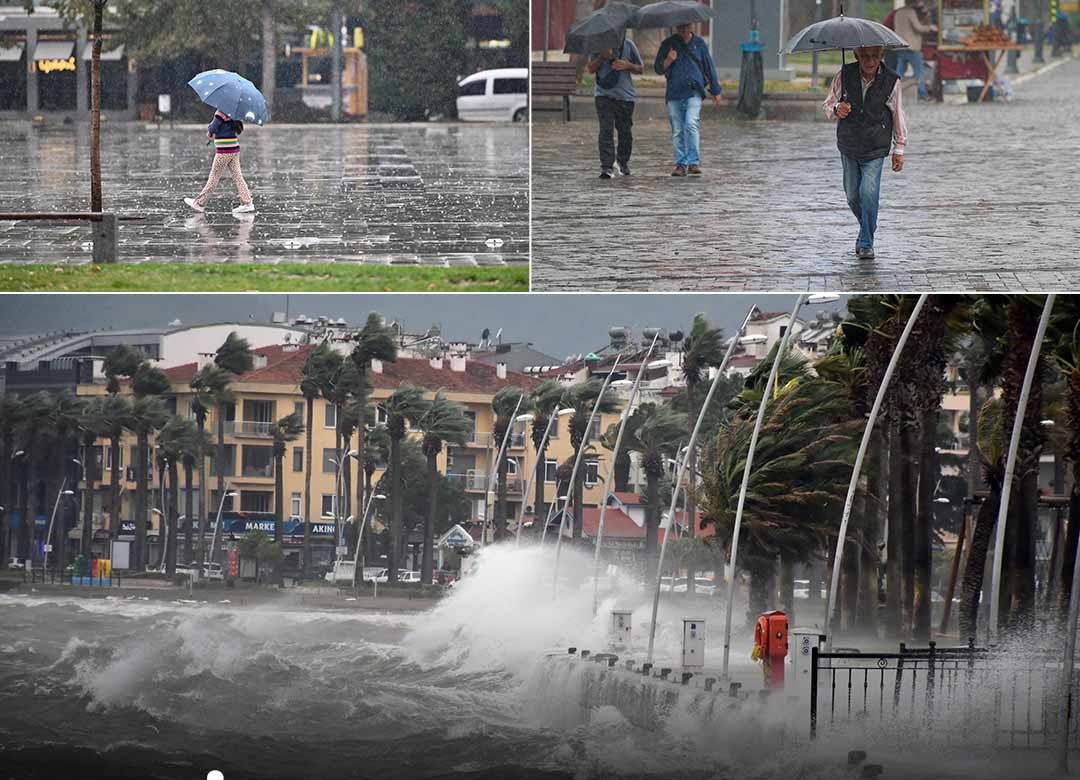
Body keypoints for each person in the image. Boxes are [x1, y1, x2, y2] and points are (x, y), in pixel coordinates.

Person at [823, 45, 908, 260]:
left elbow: (898, 114)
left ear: (881, 57)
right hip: (849, 143)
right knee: (852, 195)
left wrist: (899, 148)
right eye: (864, 56)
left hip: (875, 146)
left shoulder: (892, 81)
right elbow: (828, 104)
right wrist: (837, 109)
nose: (869, 61)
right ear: (857, 56)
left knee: (869, 193)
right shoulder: (844, 74)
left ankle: (867, 242)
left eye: (874, 56)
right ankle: (869, 224)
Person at [654, 23, 721, 177]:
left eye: (687, 27)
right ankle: (680, 164)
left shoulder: (699, 44)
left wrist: (716, 90)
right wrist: (669, 60)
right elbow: (658, 68)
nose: (684, 30)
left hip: (693, 91)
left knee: (691, 123)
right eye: (680, 27)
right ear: (676, 28)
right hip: (674, 93)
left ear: (692, 27)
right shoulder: (668, 44)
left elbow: (709, 67)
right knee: (677, 129)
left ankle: (693, 162)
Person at [586, 37, 644, 179]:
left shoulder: (629, 44)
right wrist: (602, 57)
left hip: (625, 97)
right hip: (603, 95)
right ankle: (607, 166)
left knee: (625, 132)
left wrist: (627, 65)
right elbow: (590, 69)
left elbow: (640, 68)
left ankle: (622, 161)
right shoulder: (597, 45)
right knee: (606, 130)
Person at [184, 109, 255, 215]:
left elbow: (213, 128)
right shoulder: (234, 113)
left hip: (224, 151)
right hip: (234, 148)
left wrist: (209, 131)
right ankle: (248, 203)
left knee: (213, 177)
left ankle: (199, 203)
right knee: (238, 176)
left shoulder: (221, 112)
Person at [894, 0, 937, 100]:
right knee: (919, 71)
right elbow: (918, 28)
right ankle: (923, 94)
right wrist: (930, 27)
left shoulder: (898, 12)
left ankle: (893, 91)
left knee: (899, 71)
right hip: (912, 46)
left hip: (900, 45)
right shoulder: (910, 12)